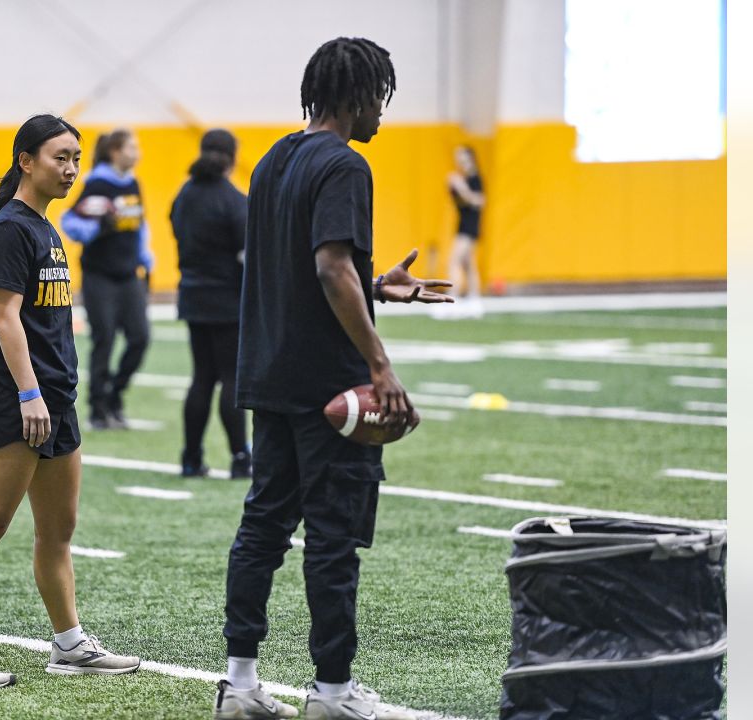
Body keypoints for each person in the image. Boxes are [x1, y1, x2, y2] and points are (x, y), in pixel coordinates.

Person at [215, 38, 454, 720]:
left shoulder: (272, 160)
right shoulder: (344, 164)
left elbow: (305, 270)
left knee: (262, 526)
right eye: (381, 97)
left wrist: (380, 287)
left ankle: (240, 683)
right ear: (358, 95)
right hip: (328, 383)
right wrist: (380, 363)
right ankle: (332, 691)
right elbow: (327, 267)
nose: (382, 111)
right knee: (333, 536)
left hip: (270, 371)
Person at [0, 114, 140, 690]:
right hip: (18, 400)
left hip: (59, 401)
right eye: (59, 157)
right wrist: (29, 393)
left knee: (58, 531)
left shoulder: (47, 228)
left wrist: (56, 393)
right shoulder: (9, 230)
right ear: (26, 160)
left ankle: (69, 644)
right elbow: (3, 316)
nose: (70, 168)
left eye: (75, 158)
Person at [170, 128, 251, 479]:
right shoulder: (234, 200)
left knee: (201, 377)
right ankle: (239, 458)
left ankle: (190, 457)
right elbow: (247, 255)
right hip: (228, 300)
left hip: (192, 295)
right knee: (232, 377)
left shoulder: (184, 196)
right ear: (232, 158)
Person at [60, 128, 153, 429]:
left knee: (140, 338)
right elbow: (71, 222)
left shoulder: (133, 183)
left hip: (129, 276)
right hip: (99, 276)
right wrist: (99, 225)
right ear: (115, 151)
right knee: (105, 340)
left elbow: (140, 224)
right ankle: (98, 408)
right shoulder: (97, 184)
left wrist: (145, 258)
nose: (137, 152)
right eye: (131, 147)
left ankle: (115, 393)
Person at [445, 145, 485, 316]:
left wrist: (460, 187)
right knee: (469, 264)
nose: (458, 160)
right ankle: (475, 300)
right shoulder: (465, 178)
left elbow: (479, 201)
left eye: (461, 156)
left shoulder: (474, 177)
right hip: (464, 224)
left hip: (469, 226)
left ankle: (452, 299)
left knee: (454, 261)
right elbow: (462, 203)